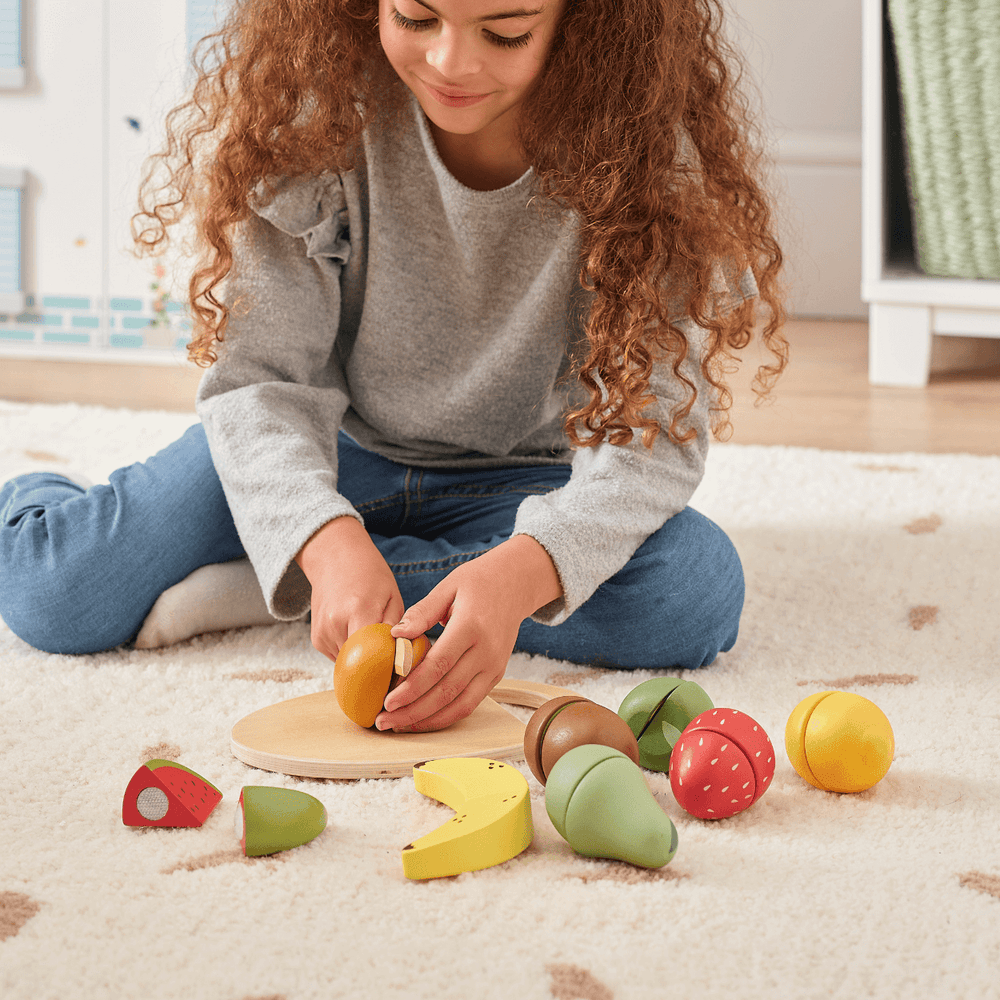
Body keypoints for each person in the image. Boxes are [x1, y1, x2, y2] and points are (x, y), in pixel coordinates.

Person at [0, 0, 788, 733]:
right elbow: (262, 384)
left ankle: (259, 588)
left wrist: (521, 574)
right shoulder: (315, 114)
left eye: (504, 32)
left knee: (693, 592)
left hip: (525, 488)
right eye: (416, 16)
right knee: (56, 593)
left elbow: (651, 433)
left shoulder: (649, 159)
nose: (452, 61)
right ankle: (305, 564)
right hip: (332, 455)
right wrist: (321, 533)